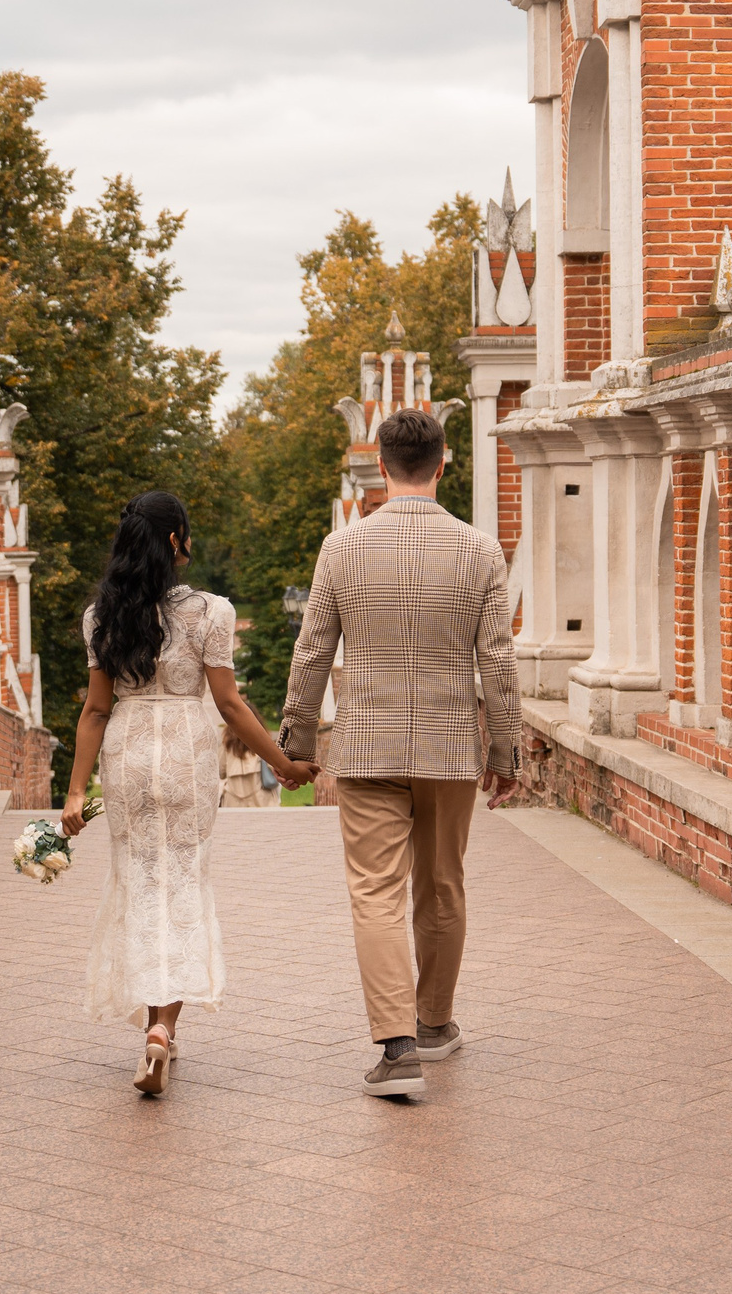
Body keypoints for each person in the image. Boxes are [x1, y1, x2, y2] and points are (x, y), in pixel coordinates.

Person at [280, 407, 520, 1099]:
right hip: (448, 746)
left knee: (375, 892)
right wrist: (505, 749)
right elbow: (497, 661)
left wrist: (297, 737)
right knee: (442, 884)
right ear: (445, 462)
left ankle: (396, 1044)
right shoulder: (480, 549)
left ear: (381, 465)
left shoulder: (342, 547)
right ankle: (436, 1022)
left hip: (365, 746)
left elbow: (313, 649)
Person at [62, 491, 316, 1096]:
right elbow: (228, 703)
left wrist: (75, 792)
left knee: (140, 880)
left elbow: (95, 711)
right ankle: (161, 1030)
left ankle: (154, 1027)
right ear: (176, 541)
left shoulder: (103, 614)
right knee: (183, 881)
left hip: (126, 755)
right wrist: (283, 763)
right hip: (186, 754)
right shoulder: (209, 613)